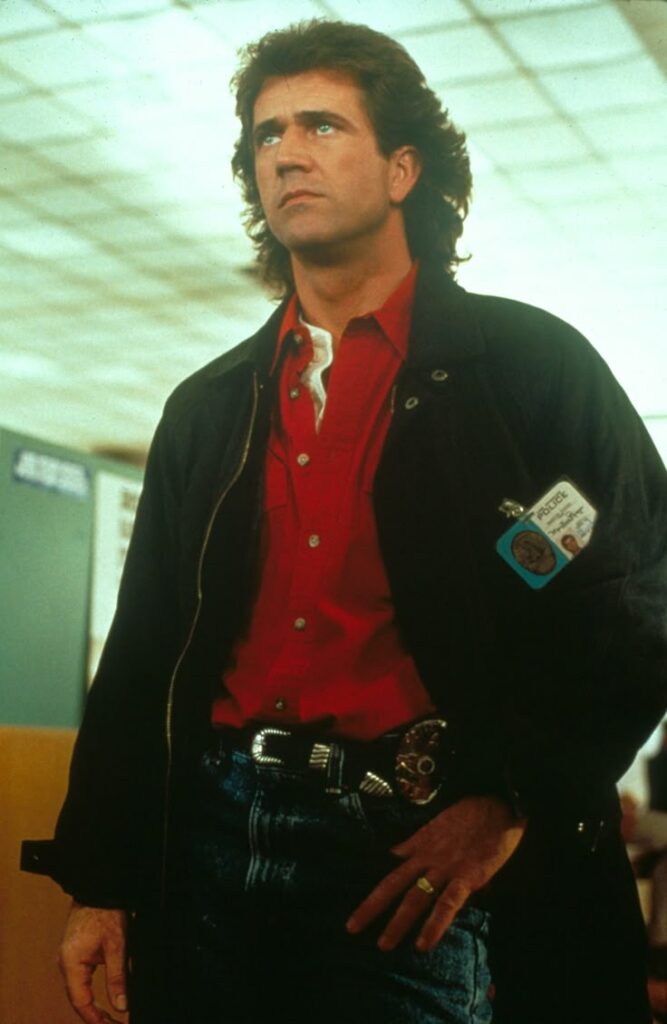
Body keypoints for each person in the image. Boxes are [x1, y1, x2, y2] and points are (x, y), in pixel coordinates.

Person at [21, 19, 667, 1024]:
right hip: (209, 845)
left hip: (411, 849)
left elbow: (625, 586)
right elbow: (147, 651)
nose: (285, 150)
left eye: (321, 123)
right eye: (266, 133)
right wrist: (101, 877)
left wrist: (509, 798)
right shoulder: (211, 406)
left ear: (403, 167)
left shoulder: (528, 374)